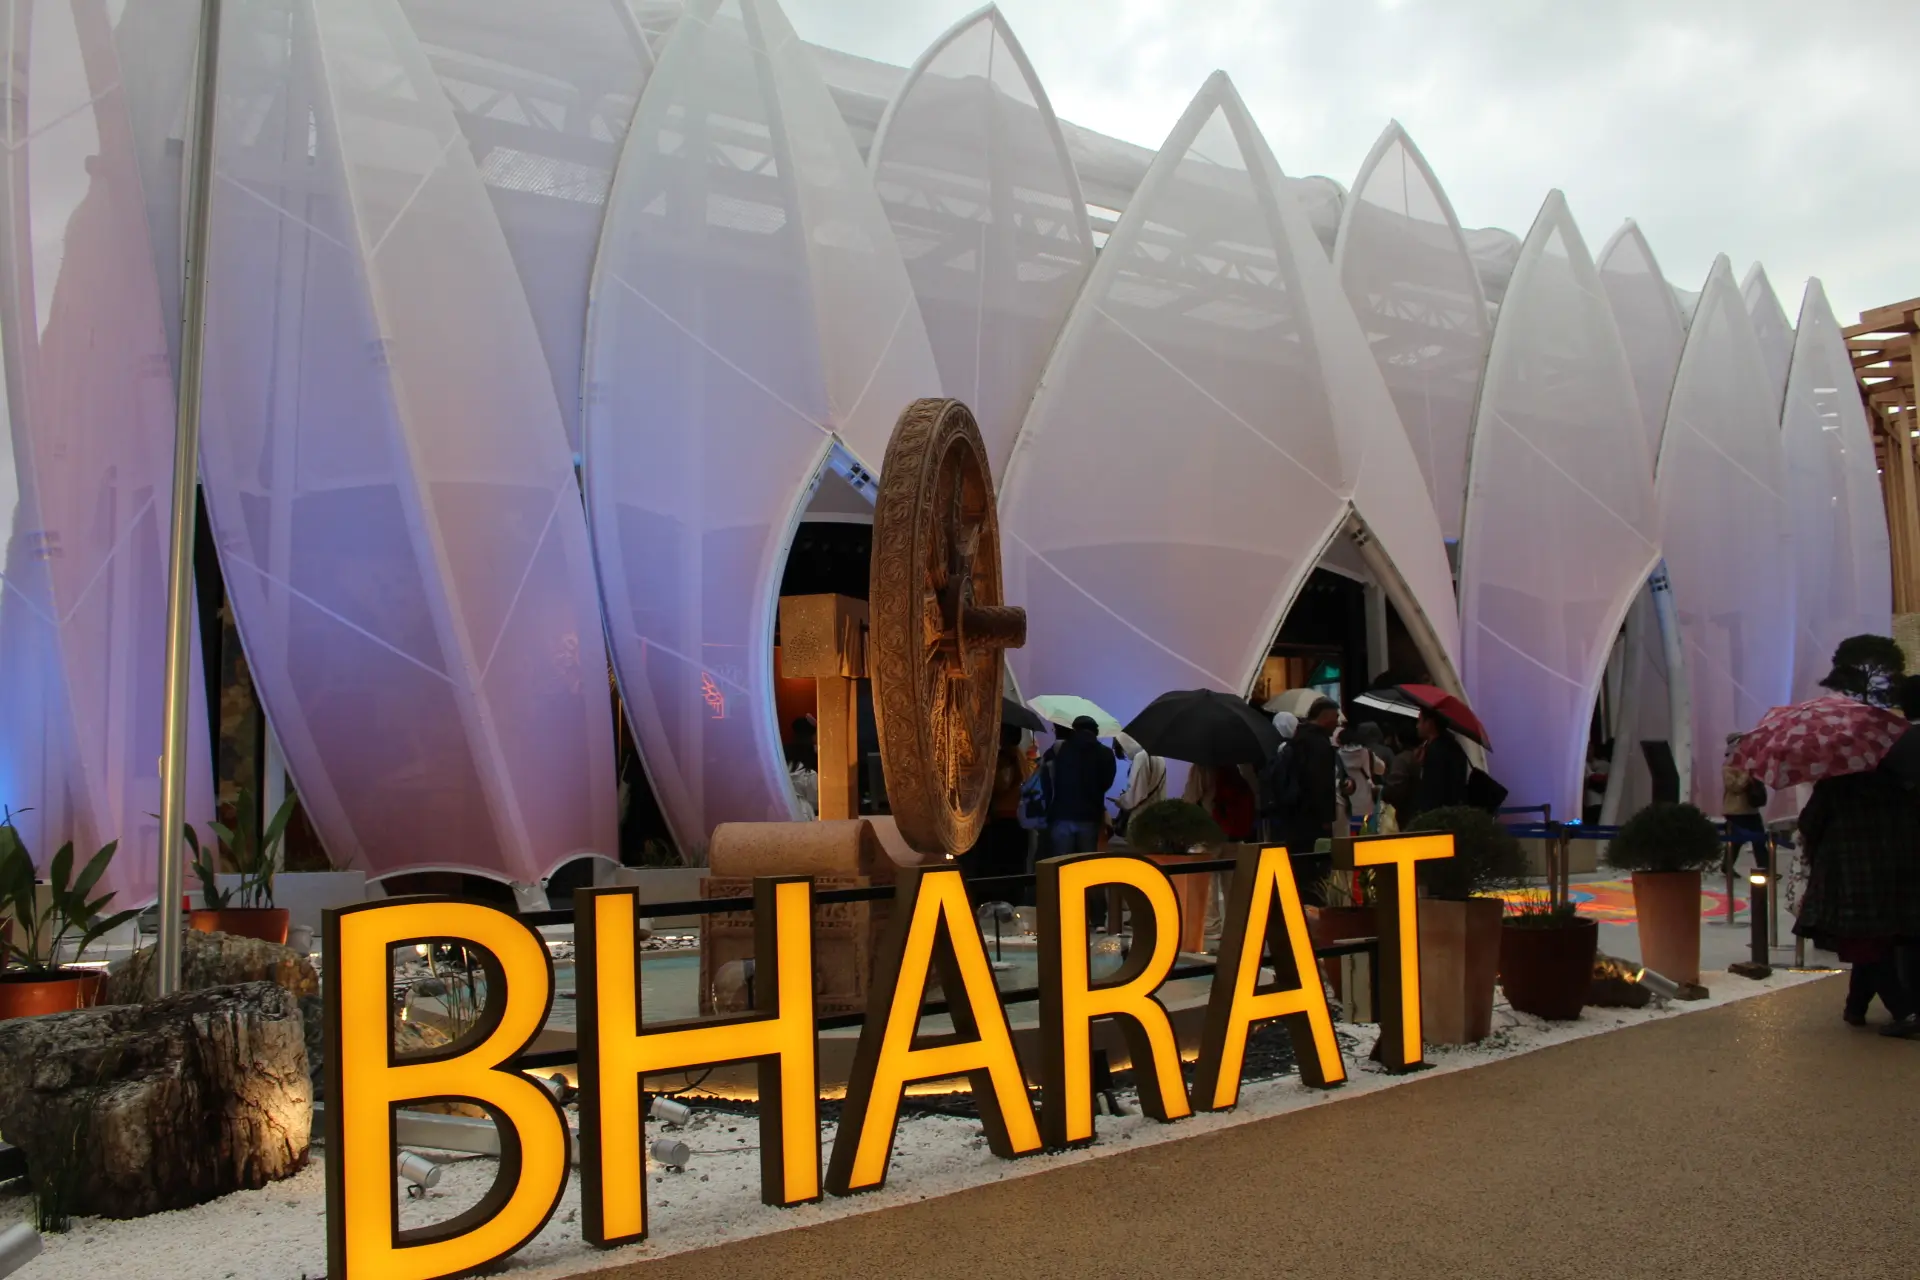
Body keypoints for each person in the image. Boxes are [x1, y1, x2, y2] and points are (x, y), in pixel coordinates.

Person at [1793, 764, 1920, 1036]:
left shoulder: (1834, 785)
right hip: (1894, 871)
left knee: (1864, 943)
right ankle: (1855, 1007)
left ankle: (1905, 1013)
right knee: (1874, 938)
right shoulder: (1894, 781)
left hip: (1849, 873)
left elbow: (1808, 825)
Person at [1044, 716, 1117, 926]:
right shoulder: (1105, 753)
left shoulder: (1059, 750)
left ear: (1074, 729)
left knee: (1061, 867)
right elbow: (1106, 783)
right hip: (1090, 817)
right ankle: (1097, 918)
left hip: (1061, 815)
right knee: (1090, 868)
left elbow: (1047, 779)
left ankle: (1065, 916)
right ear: (1096, 731)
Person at [1274, 697, 1341, 897]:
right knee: (1314, 867)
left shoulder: (1298, 740)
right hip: (1312, 819)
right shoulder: (1319, 744)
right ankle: (1312, 904)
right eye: (1335, 717)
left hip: (1293, 813)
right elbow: (1320, 783)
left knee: (1297, 864)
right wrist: (1326, 818)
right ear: (1325, 717)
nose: (1337, 722)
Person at [961, 723, 1033, 903]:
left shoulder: (1006, 758)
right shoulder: (1021, 757)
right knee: (1015, 865)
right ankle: (1014, 900)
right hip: (1018, 818)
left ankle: (1000, 901)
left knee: (999, 866)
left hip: (1004, 818)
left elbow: (1000, 785)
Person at [1721, 731, 1769, 875]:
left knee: (1759, 840)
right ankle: (1727, 866)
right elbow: (1734, 787)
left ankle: (1766, 868)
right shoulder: (1728, 766)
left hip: (1751, 809)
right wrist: (1746, 774)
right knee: (1736, 842)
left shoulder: (1751, 762)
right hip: (1736, 810)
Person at [1410, 707, 1469, 818]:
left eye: (1420, 721)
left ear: (1430, 723)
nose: (1417, 726)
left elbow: (1432, 791)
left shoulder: (1437, 751)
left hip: (1437, 817)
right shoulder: (1452, 746)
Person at [1113, 734, 1167, 838]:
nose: (1125, 754)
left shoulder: (1141, 758)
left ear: (1125, 745)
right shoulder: (1158, 756)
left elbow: (1137, 793)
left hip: (1142, 817)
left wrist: (1120, 801)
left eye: (1123, 750)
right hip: (1157, 812)